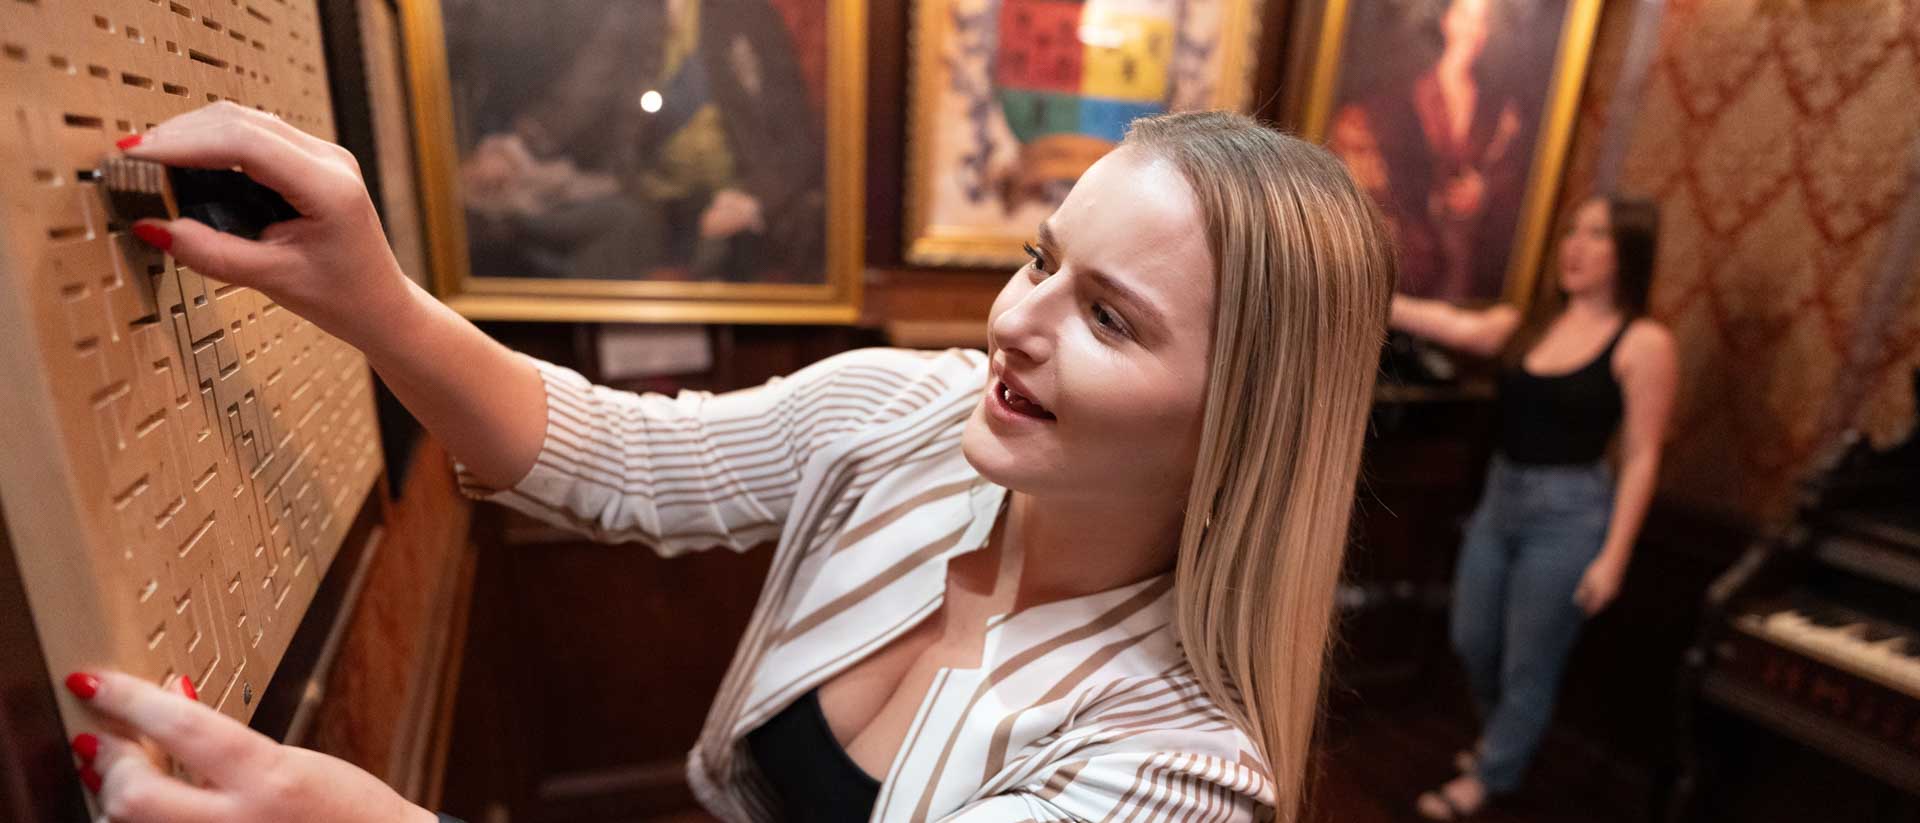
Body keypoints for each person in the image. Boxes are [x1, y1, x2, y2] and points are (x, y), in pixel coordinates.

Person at [64, 103, 1393, 822]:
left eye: (1107, 315)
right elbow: (636, 459)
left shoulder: (1181, 771)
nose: (1013, 319)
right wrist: (373, 298)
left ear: (1244, 422)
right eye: (1041, 258)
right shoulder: (912, 415)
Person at [1390, 195, 1678, 819]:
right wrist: (1364, 288)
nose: (1574, 245)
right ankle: (1504, 745)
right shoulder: (1532, 324)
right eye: (1572, 230)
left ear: (1628, 251)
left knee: (1530, 660)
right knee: (1471, 638)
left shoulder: (1643, 342)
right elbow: (1449, 323)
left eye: (1596, 234)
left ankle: (1492, 773)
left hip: (1571, 516)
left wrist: (1614, 558)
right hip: (1501, 498)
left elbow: (1642, 457)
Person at [1330, 0, 1529, 301]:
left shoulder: (1497, 108)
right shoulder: (1406, 94)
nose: (1472, 30)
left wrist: (1483, 191)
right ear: (1446, 20)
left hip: (1462, 256)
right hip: (1412, 249)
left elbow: (1509, 180)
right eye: (1465, 16)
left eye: (1482, 21)